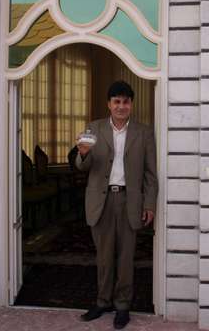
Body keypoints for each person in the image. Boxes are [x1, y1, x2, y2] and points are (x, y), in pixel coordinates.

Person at [76, 80, 157, 329]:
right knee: (103, 256)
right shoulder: (94, 128)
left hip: (129, 200)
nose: (121, 106)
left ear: (131, 104)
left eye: (125, 101)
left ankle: (123, 305)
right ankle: (102, 302)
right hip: (101, 201)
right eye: (116, 102)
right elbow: (82, 167)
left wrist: (150, 204)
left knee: (125, 257)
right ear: (109, 104)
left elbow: (150, 174)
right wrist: (83, 153)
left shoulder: (144, 133)